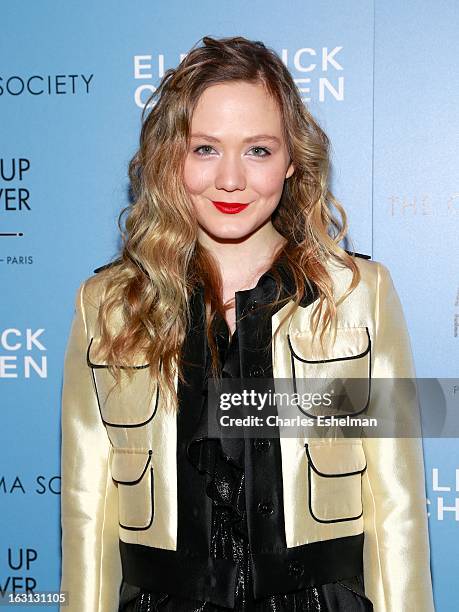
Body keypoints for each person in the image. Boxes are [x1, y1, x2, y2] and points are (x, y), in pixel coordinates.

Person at [59, 36, 435, 612]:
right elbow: (87, 511)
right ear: (170, 160)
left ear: (291, 161)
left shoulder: (362, 295)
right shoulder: (106, 304)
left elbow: (398, 504)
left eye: (258, 150)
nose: (230, 179)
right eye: (206, 149)